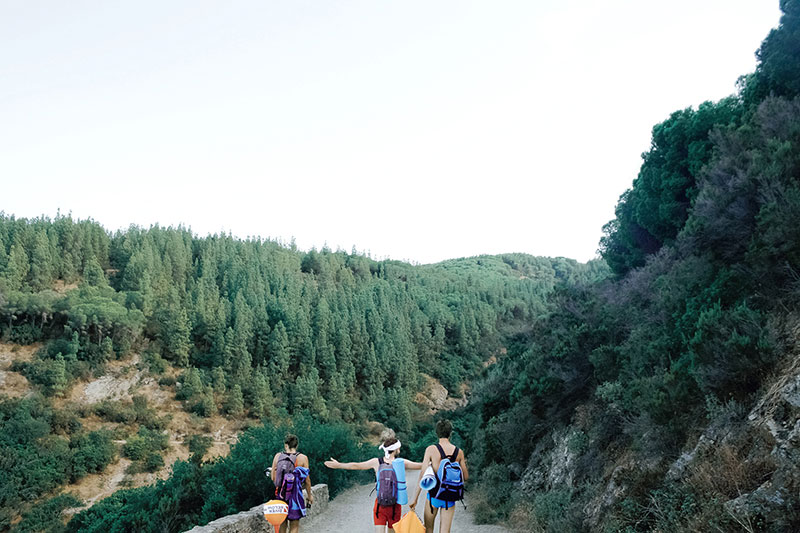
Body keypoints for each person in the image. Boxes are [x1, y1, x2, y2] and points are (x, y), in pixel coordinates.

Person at [325, 437, 423, 532]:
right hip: (395, 506)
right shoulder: (402, 463)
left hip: (380, 505)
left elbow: (356, 465)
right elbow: (421, 466)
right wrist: (434, 461)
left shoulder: (376, 462)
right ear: (396, 449)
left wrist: (339, 465)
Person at [409, 420, 469, 533]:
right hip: (450, 498)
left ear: (436, 433)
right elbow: (465, 477)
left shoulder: (431, 449)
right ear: (450, 433)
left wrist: (415, 498)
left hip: (434, 496)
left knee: (429, 529)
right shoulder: (459, 452)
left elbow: (423, 475)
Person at [270, 433, 314, 533]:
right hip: (295, 497)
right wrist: (309, 496)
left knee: (282, 522)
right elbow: (307, 480)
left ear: (286, 445)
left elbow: (273, 477)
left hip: (280, 495)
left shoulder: (277, 456)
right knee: (294, 524)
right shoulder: (303, 458)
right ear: (296, 445)